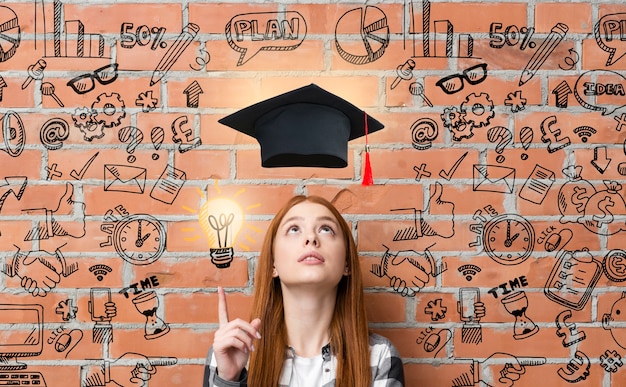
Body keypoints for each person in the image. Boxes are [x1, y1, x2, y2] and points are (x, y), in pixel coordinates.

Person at [203, 195, 405, 386]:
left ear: (346, 263)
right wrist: (228, 379)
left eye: (326, 229)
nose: (311, 238)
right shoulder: (231, 352)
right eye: (293, 229)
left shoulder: (379, 357)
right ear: (273, 264)